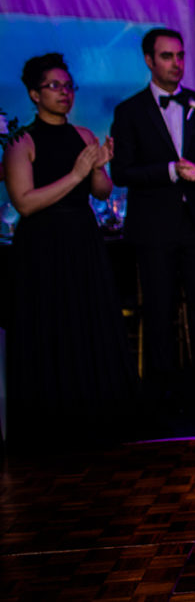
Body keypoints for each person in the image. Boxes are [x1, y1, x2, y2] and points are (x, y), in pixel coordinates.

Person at [3, 53, 137, 446]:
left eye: (68, 86)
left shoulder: (84, 135)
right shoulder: (20, 143)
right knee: (50, 325)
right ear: (33, 93)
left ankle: (96, 410)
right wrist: (76, 173)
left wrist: (99, 168)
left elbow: (101, 192)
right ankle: (53, 418)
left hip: (83, 238)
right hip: (42, 244)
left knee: (88, 321)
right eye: (54, 86)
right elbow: (24, 203)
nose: (64, 93)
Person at [111, 28, 195, 397]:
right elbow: (121, 172)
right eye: (167, 56)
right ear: (149, 60)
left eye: (180, 56)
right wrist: (169, 170)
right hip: (153, 226)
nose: (176, 64)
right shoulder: (129, 110)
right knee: (158, 308)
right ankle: (163, 391)